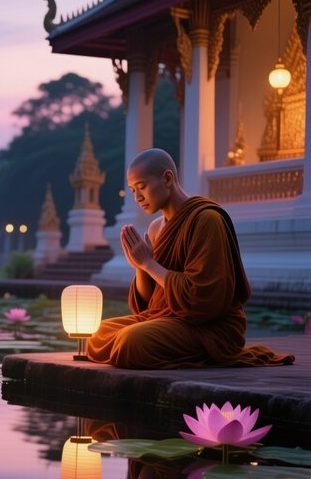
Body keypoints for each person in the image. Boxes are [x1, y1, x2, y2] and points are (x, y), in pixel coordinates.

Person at [86, 148, 294, 368]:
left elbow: (201, 299)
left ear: (167, 178)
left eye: (142, 187)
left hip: (207, 326)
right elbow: (148, 305)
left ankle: (205, 353)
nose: (137, 197)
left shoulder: (207, 219)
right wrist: (141, 267)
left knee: (130, 342)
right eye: (132, 190)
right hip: (166, 319)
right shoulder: (156, 228)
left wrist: (149, 263)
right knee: (97, 336)